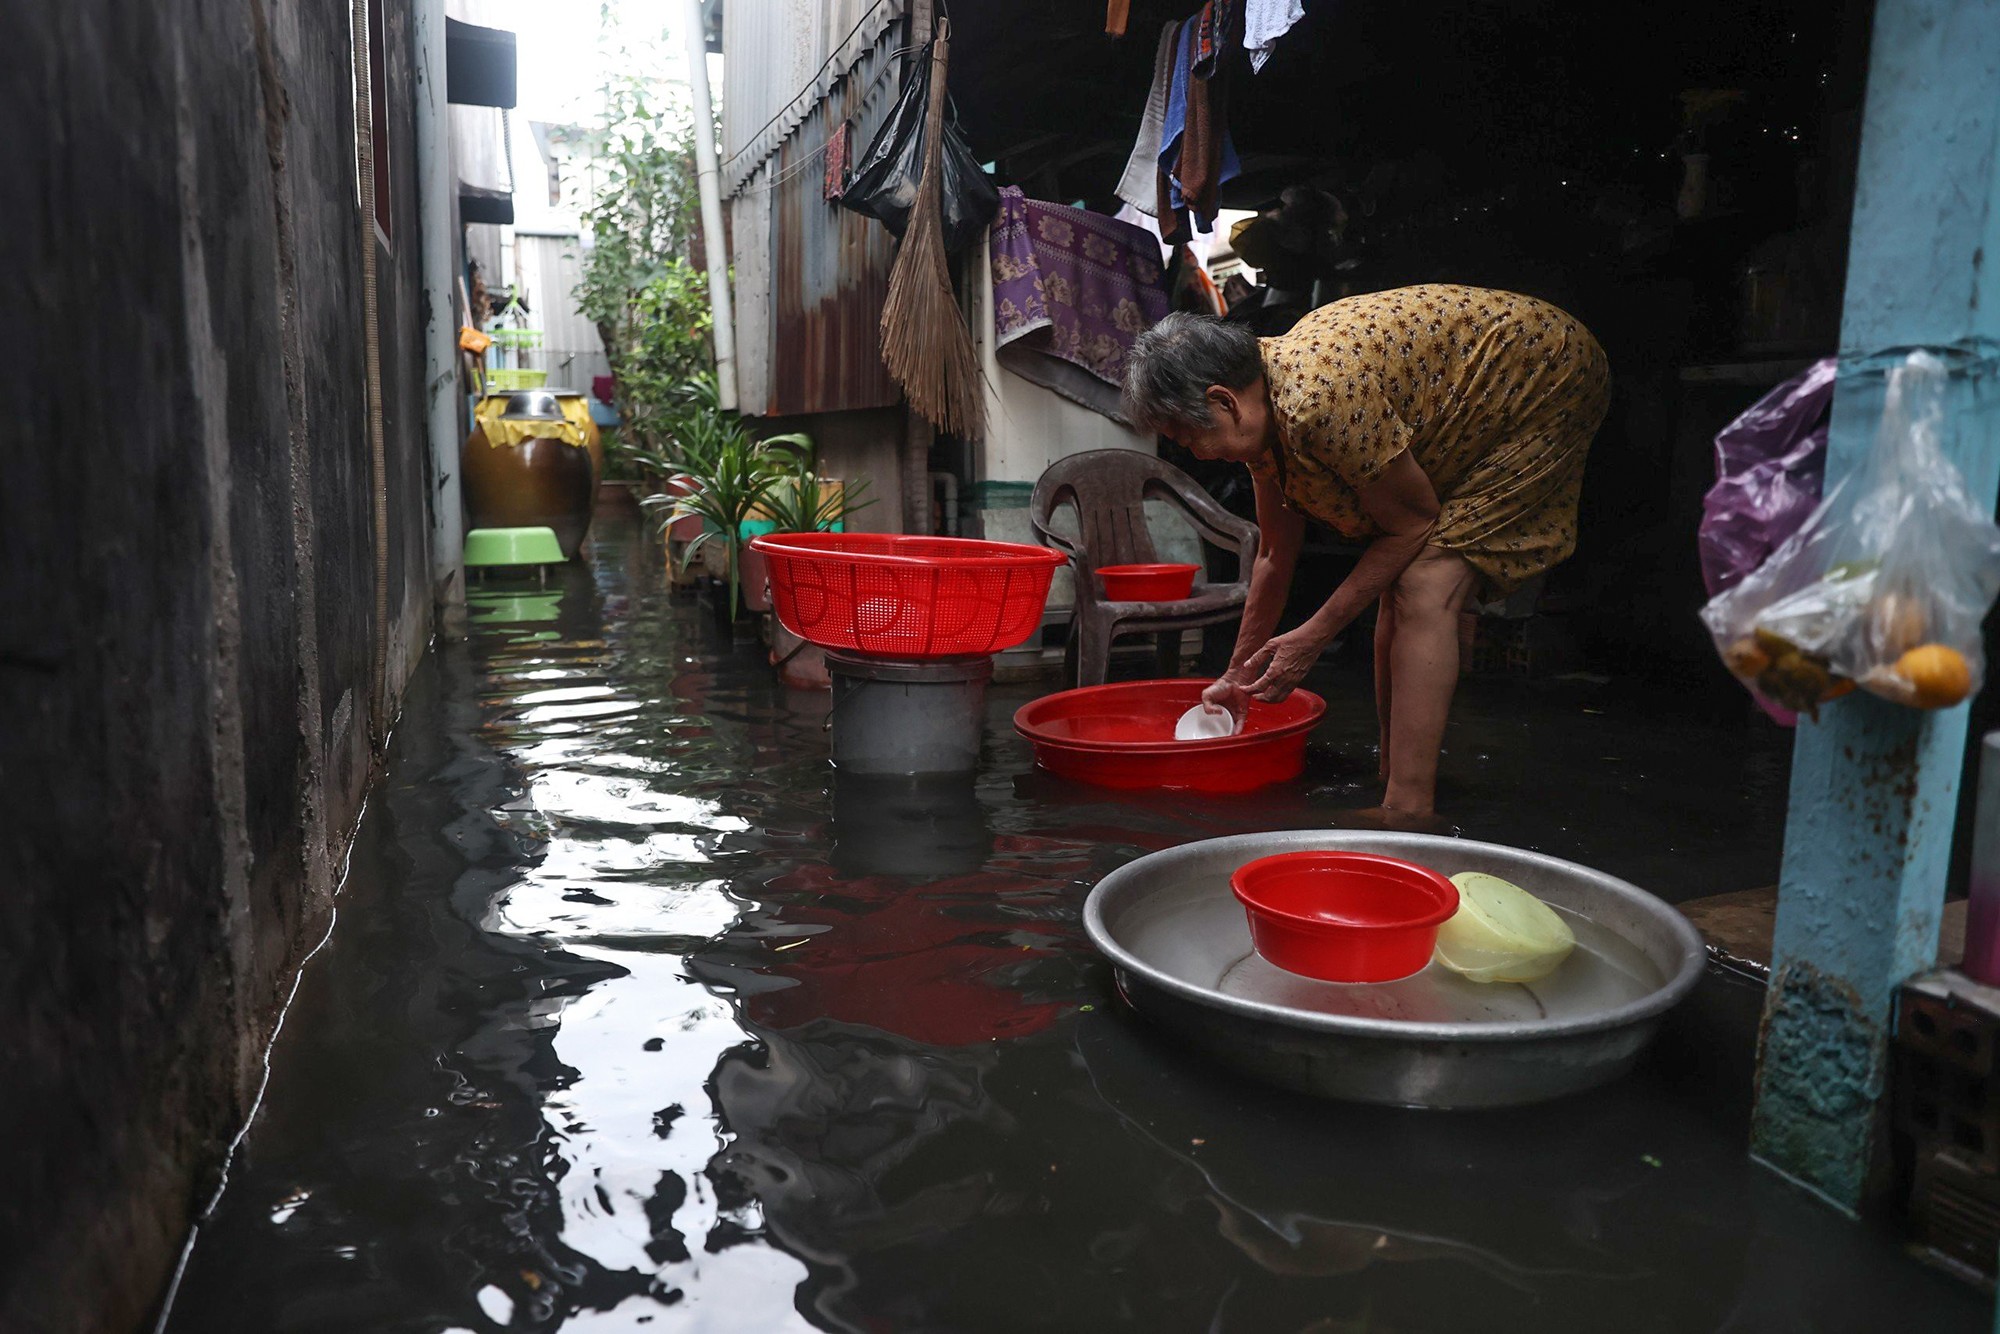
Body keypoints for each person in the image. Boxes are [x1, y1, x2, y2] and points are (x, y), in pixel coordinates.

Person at [1122, 285, 1610, 825]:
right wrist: (1237, 674)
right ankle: (1394, 774)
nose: (1195, 451)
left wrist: (1313, 635)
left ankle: (1408, 808)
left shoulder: (1317, 398)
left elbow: (1413, 524)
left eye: (1189, 436)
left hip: (1542, 371)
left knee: (1425, 581)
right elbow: (1275, 554)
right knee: (1395, 583)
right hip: (1481, 383)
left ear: (1223, 401)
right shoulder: (1261, 407)